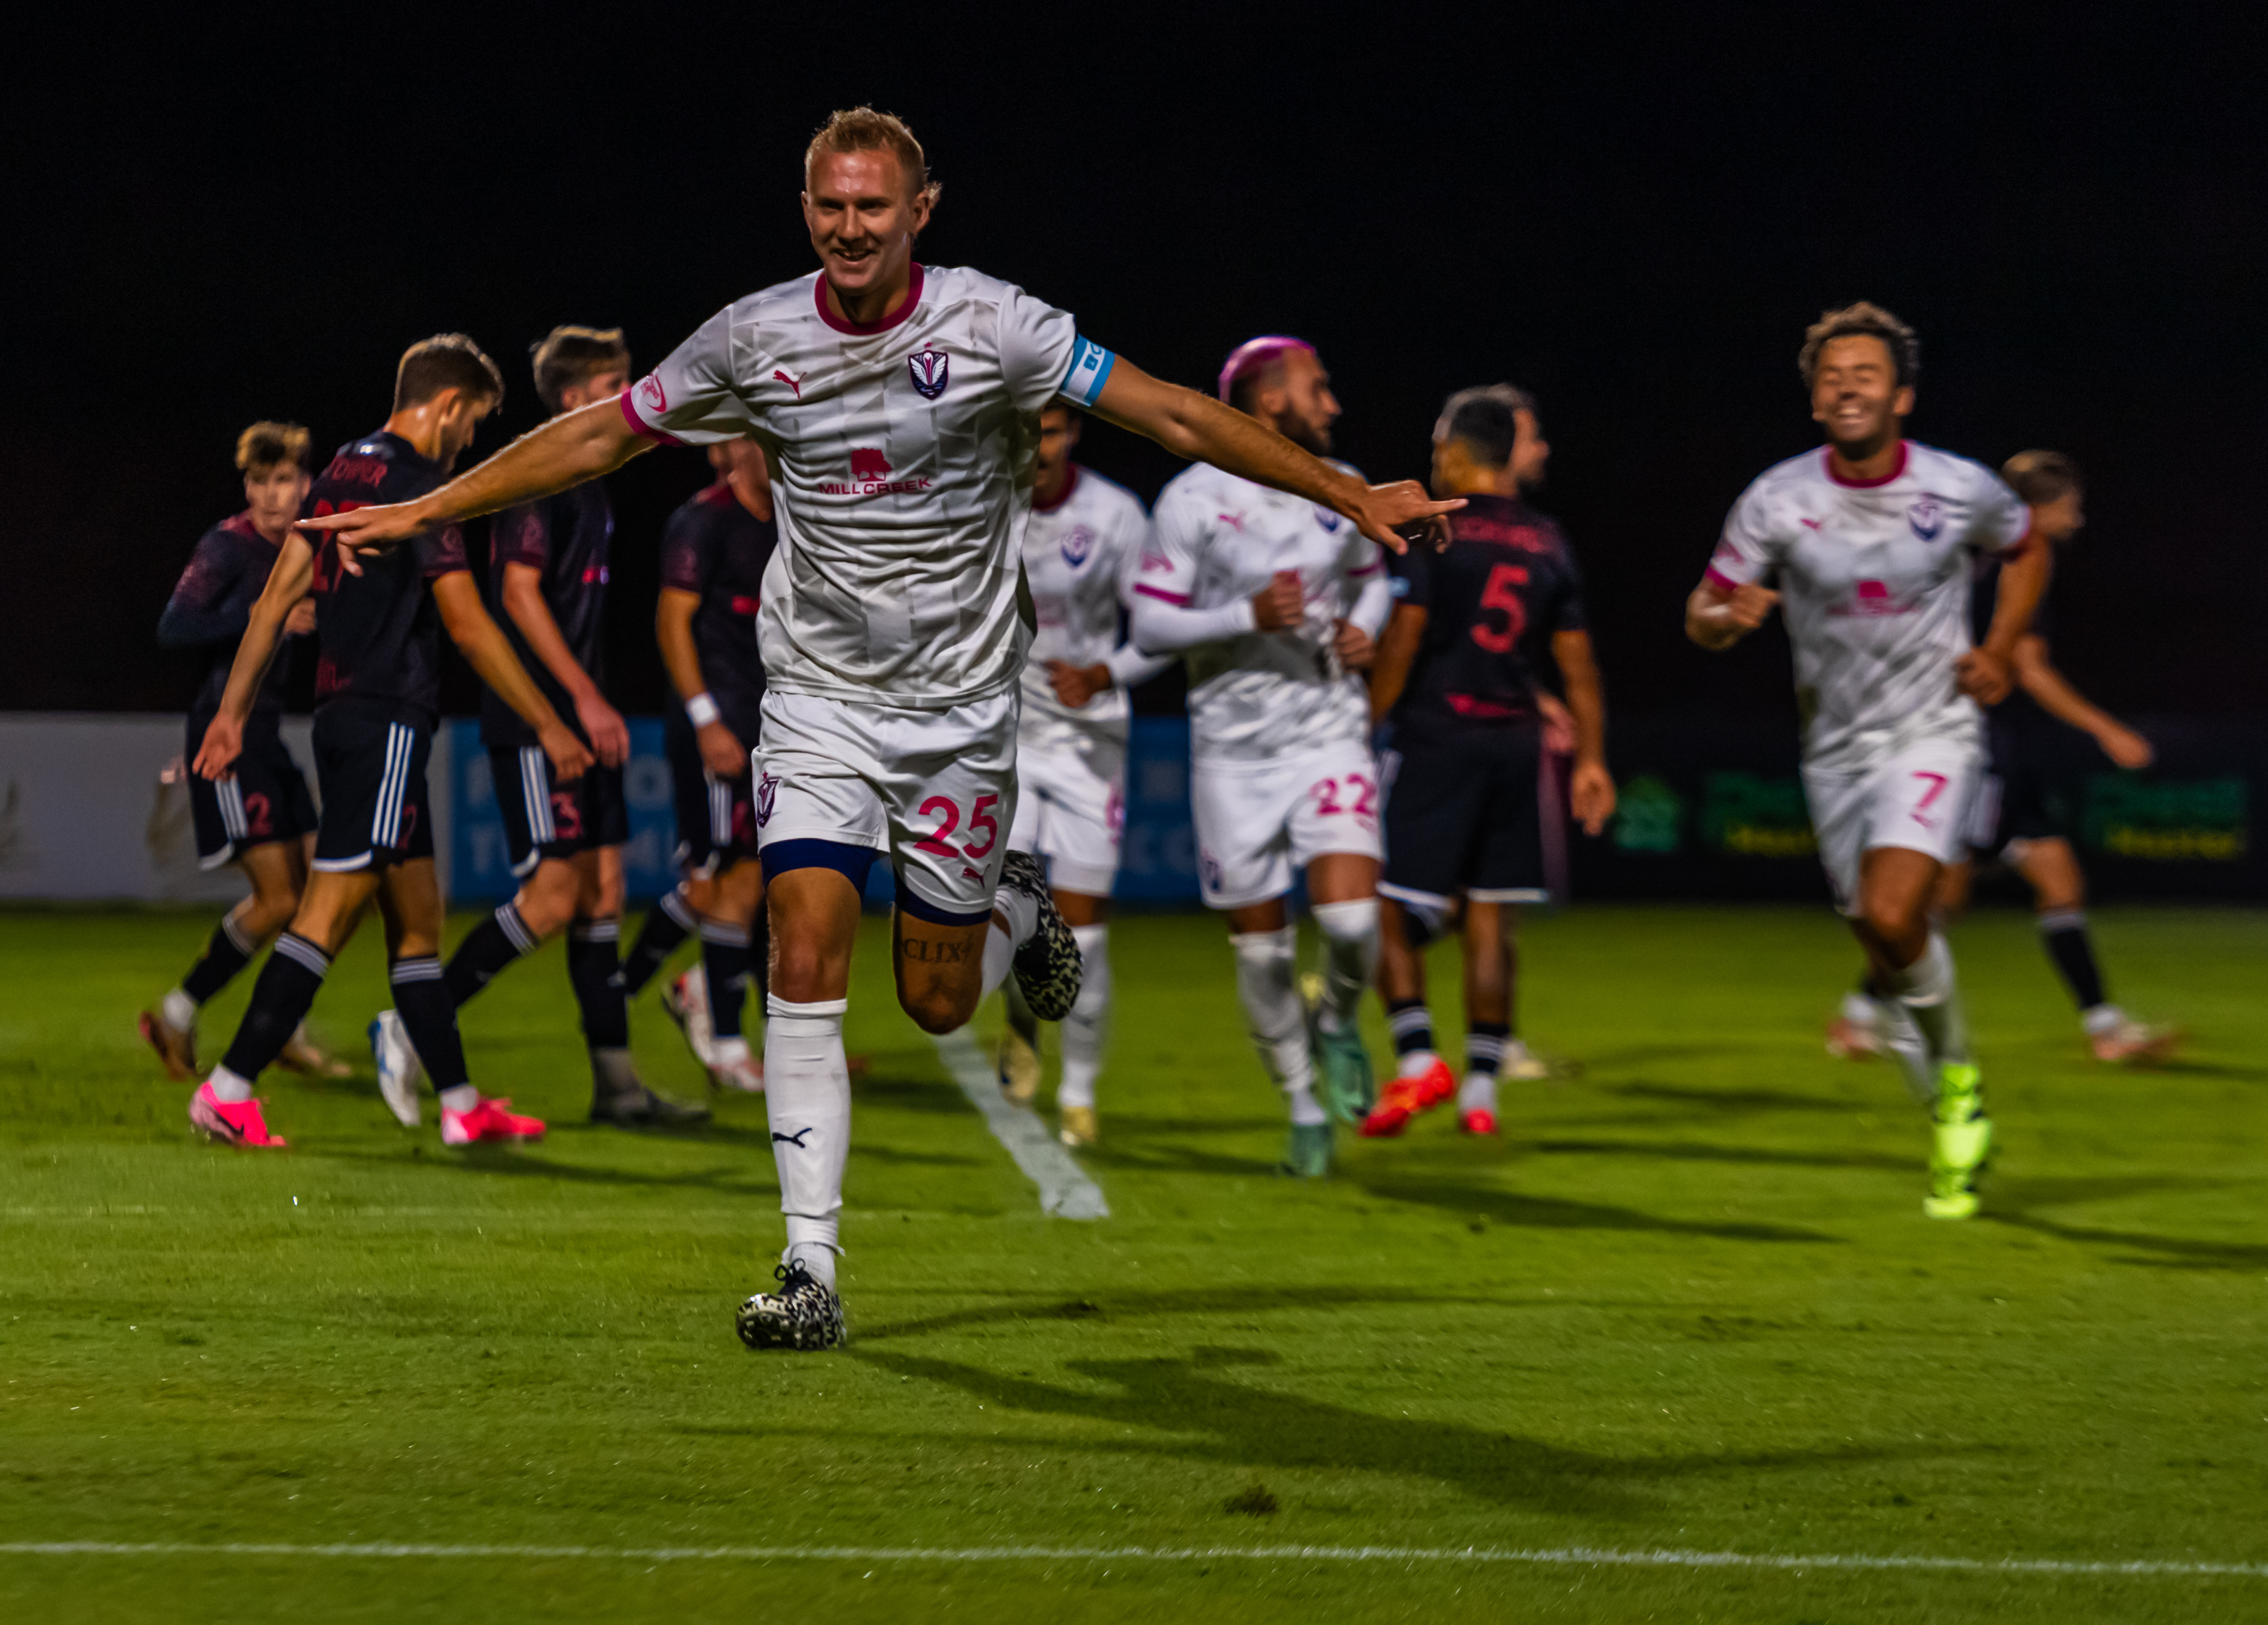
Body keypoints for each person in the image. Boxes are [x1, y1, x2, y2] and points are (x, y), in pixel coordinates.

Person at [298, 108, 1454, 1349]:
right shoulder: (754, 336)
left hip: (959, 711)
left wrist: (1346, 489)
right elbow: (599, 435)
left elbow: (1171, 414)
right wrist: (433, 511)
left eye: (875, 208)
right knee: (803, 955)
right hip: (819, 703)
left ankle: (1012, 911)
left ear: (921, 211)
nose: (852, 229)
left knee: (941, 1002)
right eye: (831, 207)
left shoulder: (995, 324)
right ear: (808, 212)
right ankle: (810, 1269)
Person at [180, 335, 597, 1152]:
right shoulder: (417, 483)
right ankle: (228, 1091)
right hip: (387, 721)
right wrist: (549, 723)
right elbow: (469, 624)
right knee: (327, 914)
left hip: (341, 716)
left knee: (417, 921)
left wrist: (232, 713)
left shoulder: (341, 470)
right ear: (445, 405)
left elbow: (271, 606)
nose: (468, 440)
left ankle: (460, 1102)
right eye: (471, 422)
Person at [1686, 302, 2045, 1221]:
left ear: (1903, 396)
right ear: (1815, 400)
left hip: (1933, 732)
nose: (1848, 386)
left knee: (1895, 911)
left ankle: (1957, 1082)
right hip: (1834, 754)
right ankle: (1951, 1106)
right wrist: (1724, 621)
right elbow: (1703, 610)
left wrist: (2001, 646)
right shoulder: (1778, 498)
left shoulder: (1957, 487)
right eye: (1832, 375)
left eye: (1866, 373)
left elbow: (2027, 543)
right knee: (1881, 940)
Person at [381, 328, 705, 1128]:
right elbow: (518, 597)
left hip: (578, 720)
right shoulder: (541, 484)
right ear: (572, 400)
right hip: (538, 726)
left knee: (604, 892)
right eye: (613, 385)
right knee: (555, 895)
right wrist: (583, 703)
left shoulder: (593, 490)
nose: (625, 398)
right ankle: (411, 1022)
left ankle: (618, 1085)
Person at [1128, 337, 1396, 1179]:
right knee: (1266, 951)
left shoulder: (1337, 487)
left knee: (1353, 924)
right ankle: (1303, 1108)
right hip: (1233, 755)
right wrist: (1245, 614)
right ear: (1270, 401)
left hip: (1327, 730)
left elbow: (1375, 574)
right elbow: (1149, 625)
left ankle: (1341, 1022)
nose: (1333, 405)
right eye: (1320, 388)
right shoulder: (1194, 498)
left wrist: (1368, 629)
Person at [1822, 451, 2179, 1066]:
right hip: (1972, 749)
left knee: (2059, 882)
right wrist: (2107, 730)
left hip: (1997, 749)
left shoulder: (1980, 560)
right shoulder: (2015, 564)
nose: (2078, 519)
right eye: (2069, 507)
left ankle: (2106, 1029)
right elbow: (2028, 667)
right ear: (2036, 512)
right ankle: (1858, 1017)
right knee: (1940, 900)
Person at [1362, 385, 1612, 1141]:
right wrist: (1594, 760)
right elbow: (1578, 664)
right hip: (1514, 745)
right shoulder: (1548, 539)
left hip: (1438, 735)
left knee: (1382, 905)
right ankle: (1482, 1093)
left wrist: (1365, 721)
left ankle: (1414, 1060)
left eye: (1441, 449)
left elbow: (1404, 637)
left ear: (1464, 454)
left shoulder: (1439, 530)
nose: (1434, 461)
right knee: (1490, 917)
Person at [138, 422, 351, 1085]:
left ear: (306, 482)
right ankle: (176, 1013)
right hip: (224, 734)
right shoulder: (228, 546)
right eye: (259, 481)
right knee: (280, 898)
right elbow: (175, 625)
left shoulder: (308, 546)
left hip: (269, 735)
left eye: (283, 479)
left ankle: (282, 1024)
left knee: (333, 889)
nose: (270, 493)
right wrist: (264, 613)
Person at [995, 401, 1165, 1149]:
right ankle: (1021, 1019)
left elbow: (1160, 627)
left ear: (1074, 436)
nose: (1039, 448)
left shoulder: (1117, 514)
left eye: (1053, 432)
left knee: (1085, 937)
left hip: (1092, 745)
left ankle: (1081, 1093)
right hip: (1007, 743)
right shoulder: (982, 504)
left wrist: (1105, 673)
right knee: (1007, 909)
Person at [622, 437, 781, 1092]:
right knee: (716, 882)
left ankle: (710, 1022)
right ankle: (701, 1026)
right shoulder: (703, 520)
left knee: (745, 882)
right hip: (715, 727)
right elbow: (671, 622)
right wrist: (705, 716)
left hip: (768, 728)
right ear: (740, 448)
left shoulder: (791, 523)